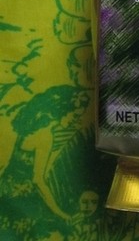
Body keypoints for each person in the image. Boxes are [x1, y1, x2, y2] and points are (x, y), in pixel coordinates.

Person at [0, 85, 90, 240]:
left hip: (5, 190)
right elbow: (38, 180)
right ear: (63, 110)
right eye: (75, 116)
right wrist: (61, 214)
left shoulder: (32, 127)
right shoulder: (45, 137)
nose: (76, 121)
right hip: (23, 198)